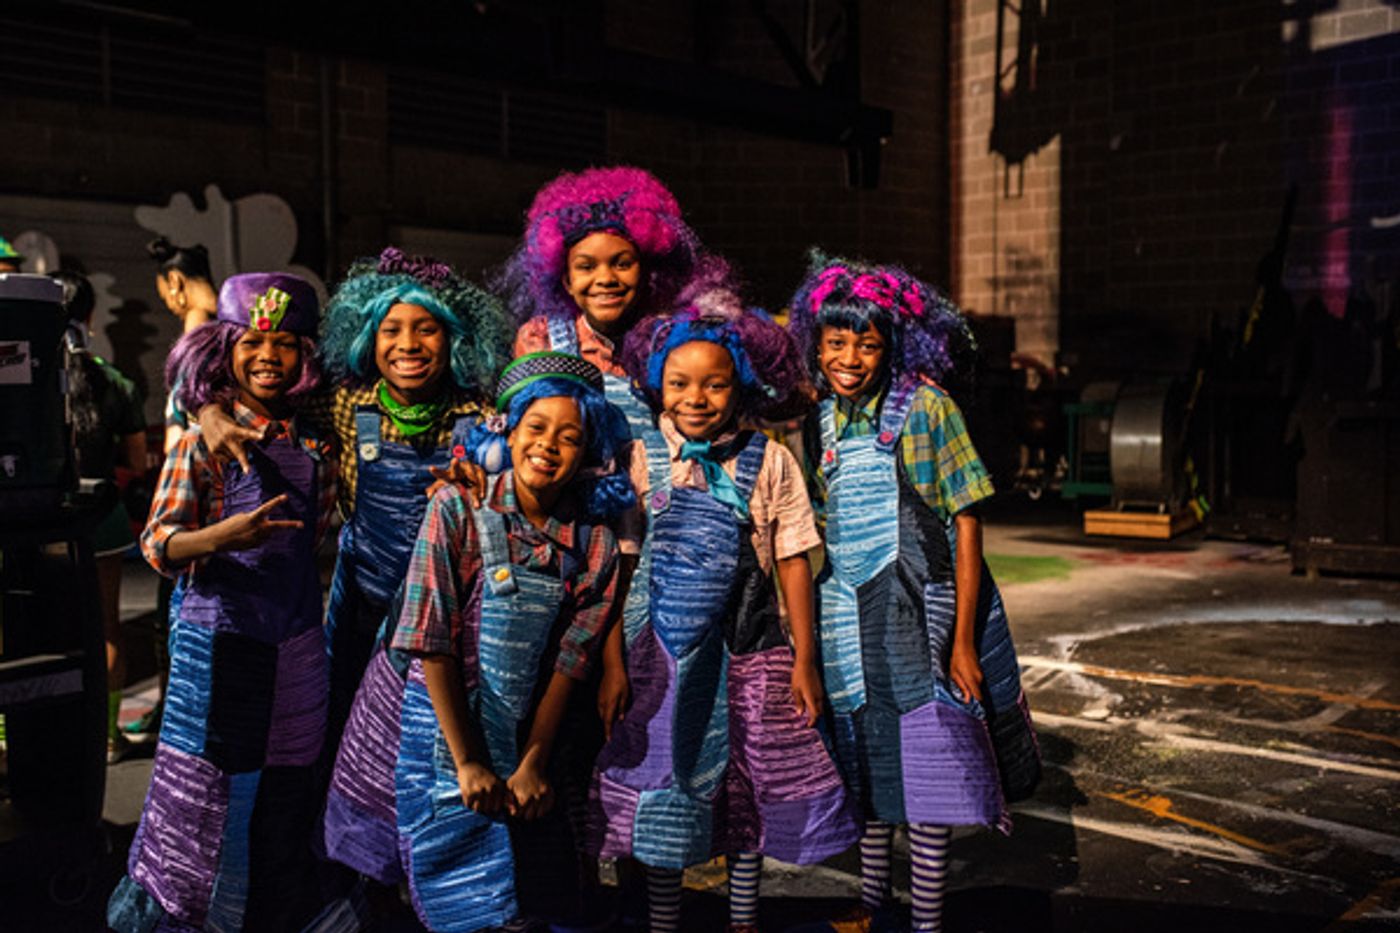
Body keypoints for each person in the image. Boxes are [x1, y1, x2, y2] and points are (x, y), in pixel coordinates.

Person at [327, 352, 632, 932]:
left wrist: (534, 761)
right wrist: (465, 759)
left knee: (502, 887)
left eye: (570, 436)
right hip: (421, 717)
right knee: (414, 868)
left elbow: (572, 660)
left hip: (515, 724)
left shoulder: (595, 547)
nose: (549, 445)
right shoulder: (457, 507)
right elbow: (429, 635)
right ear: (507, 431)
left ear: (589, 451)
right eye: (536, 428)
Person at [787, 252, 1042, 933]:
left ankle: (925, 920)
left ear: (893, 343)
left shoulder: (927, 407)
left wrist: (961, 640)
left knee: (931, 771)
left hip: (919, 614)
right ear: (816, 344)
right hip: (850, 620)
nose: (850, 357)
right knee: (869, 767)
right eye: (836, 342)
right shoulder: (823, 422)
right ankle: (872, 907)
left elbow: (966, 520)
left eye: (867, 343)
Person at [590, 297, 858, 933]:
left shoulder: (770, 460)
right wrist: (611, 662)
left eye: (715, 383)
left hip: (750, 651)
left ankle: (743, 919)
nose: (697, 398)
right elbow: (620, 565)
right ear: (658, 387)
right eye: (679, 384)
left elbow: (794, 562)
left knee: (747, 785)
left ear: (740, 385)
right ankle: (663, 920)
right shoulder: (642, 459)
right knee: (665, 785)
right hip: (657, 657)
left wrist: (805, 661)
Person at [196, 247, 511, 755]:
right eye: (391, 329)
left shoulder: (483, 414)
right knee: (347, 727)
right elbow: (252, 386)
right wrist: (208, 411)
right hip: (364, 600)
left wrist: (485, 490)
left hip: (449, 608)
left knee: (434, 736)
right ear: (367, 338)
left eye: (426, 329)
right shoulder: (343, 399)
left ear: (454, 338)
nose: (408, 344)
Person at [107, 272, 337, 932]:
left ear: (305, 357)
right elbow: (156, 545)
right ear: (225, 348)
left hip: (296, 641)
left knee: (286, 786)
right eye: (254, 342)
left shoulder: (315, 440)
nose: (270, 356)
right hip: (219, 639)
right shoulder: (195, 441)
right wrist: (222, 535)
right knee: (206, 798)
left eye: (287, 344)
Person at [125, 236, 219, 741]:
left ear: (176, 282)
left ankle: (172, 713)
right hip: (214, 500)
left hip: (188, 504)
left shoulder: (195, 339)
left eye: (164, 291)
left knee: (175, 616)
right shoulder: (229, 327)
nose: (166, 299)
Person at [52, 271, 149, 763]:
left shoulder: (26, 377)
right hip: (104, 519)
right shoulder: (117, 383)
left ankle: (29, 735)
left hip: (45, 519)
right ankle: (108, 738)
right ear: (90, 317)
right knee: (108, 627)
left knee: (41, 628)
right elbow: (135, 461)